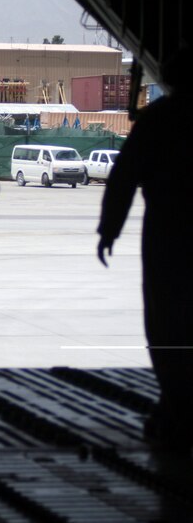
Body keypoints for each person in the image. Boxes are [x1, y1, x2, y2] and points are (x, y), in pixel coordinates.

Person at [98, 48, 193, 451]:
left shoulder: (157, 120)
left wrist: (109, 230)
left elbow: (124, 179)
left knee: (167, 323)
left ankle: (176, 406)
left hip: (168, 235)